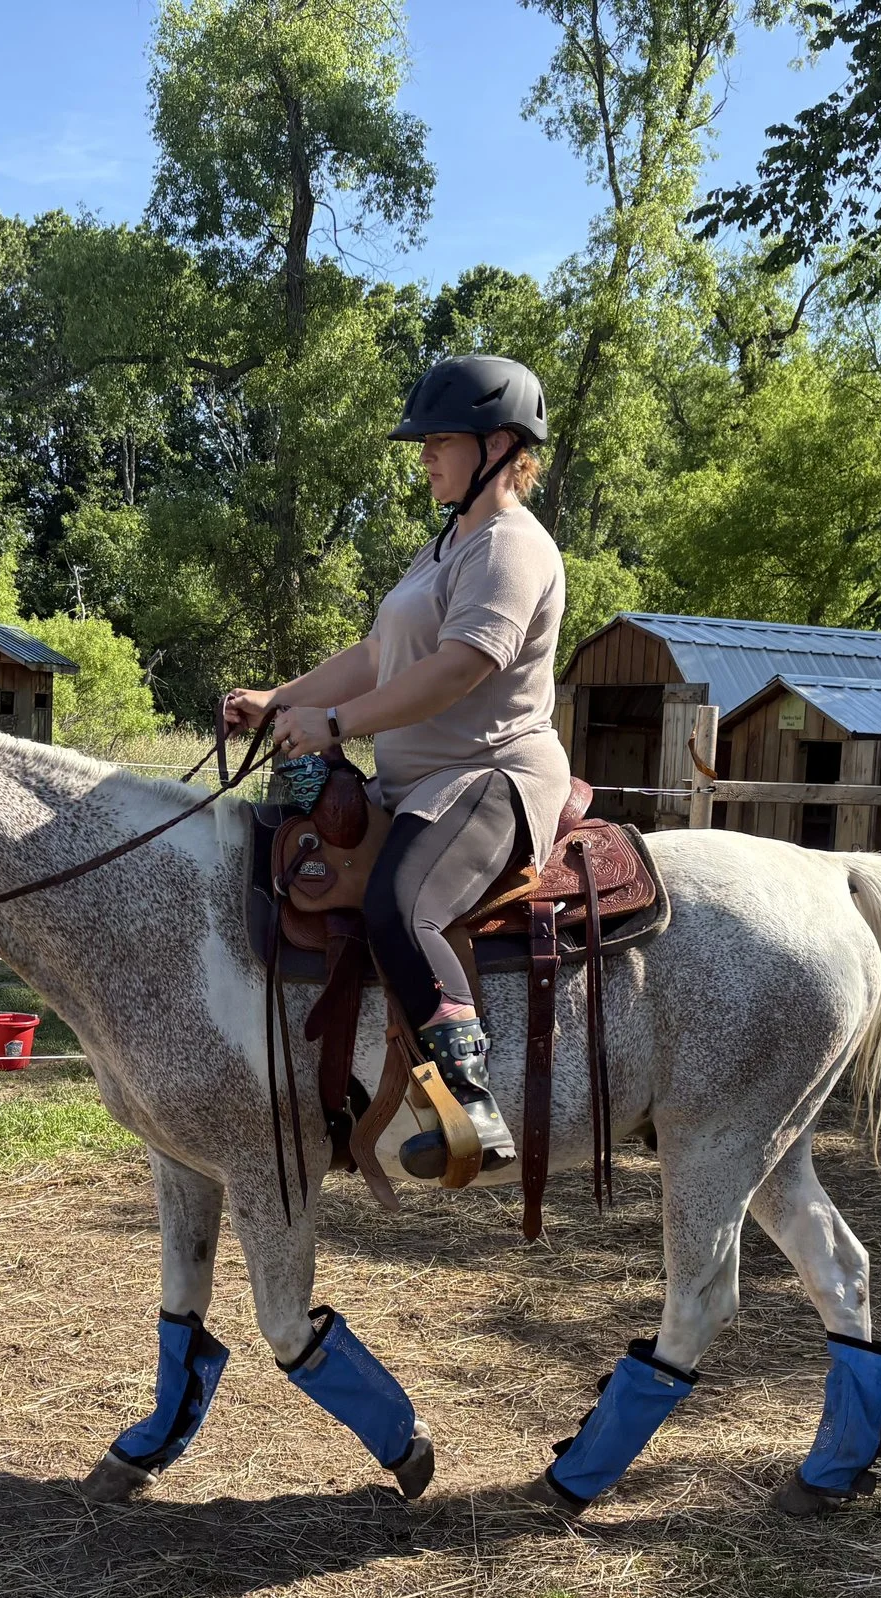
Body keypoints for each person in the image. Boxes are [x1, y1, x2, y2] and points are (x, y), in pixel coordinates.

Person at [224, 354, 571, 1179]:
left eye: (440, 441)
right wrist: (281, 699)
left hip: (492, 774)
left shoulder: (511, 546)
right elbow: (381, 652)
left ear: (500, 445)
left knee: (401, 903)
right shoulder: (447, 544)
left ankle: (470, 1099)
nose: (424, 456)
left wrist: (336, 722)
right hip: (415, 781)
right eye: (425, 443)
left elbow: (459, 668)